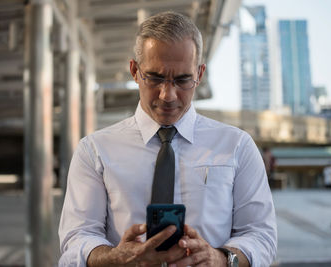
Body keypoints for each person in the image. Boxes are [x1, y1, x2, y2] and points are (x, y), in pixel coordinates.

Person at [59, 11, 277, 267]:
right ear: (134, 70)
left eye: (183, 80)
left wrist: (220, 259)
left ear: (200, 74)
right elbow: (76, 238)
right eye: (155, 78)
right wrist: (114, 258)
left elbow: (262, 235)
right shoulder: (94, 150)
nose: (168, 95)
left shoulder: (237, 146)